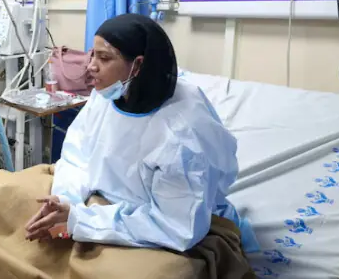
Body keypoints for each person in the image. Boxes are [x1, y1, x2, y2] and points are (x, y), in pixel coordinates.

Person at [25, 14, 258, 252]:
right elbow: (78, 156)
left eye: (104, 58)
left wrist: (81, 219)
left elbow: (175, 226)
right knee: (6, 192)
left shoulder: (181, 135)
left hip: (151, 223)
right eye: (92, 54)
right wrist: (64, 201)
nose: (90, 66)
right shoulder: (108, 94)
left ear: (137, 65)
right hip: (96, 202)